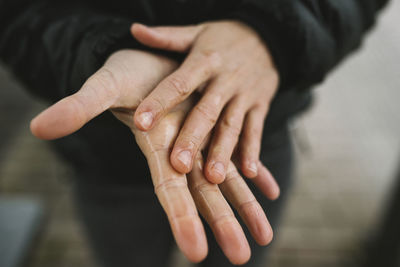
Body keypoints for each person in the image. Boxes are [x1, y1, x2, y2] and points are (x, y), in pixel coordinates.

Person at [0, 0, 389, 266]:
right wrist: (97, 50)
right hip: (106, 159)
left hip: (250, 139)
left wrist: (273, 34)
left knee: (241, 245)